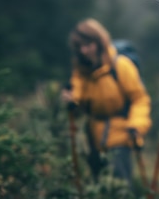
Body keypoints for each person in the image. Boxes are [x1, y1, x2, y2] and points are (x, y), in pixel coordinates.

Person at [61, 18, 152, 185]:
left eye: (88, 45)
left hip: (121, 135)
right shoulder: (82, 72)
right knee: (97, 185)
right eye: (80, 47)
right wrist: (71, 100)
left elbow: (140, 98)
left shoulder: (120, 66)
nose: (84, 51)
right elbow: (77, 95)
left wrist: (137, 126)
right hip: (92, 140)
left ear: (99, 42)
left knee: (120, 186)